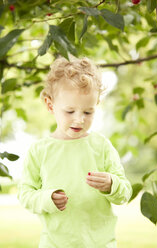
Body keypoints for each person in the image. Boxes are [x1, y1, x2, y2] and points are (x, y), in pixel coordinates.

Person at [17, 55, 132, 248]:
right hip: (55, 243)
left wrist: (111, 184)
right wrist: (47, 198)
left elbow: (125, 192)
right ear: (50, 105)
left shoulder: (101, 146)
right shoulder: (39, 150)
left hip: (100, 243)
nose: (79, 120)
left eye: (88, 112)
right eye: (70, 111)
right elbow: (25, 194)